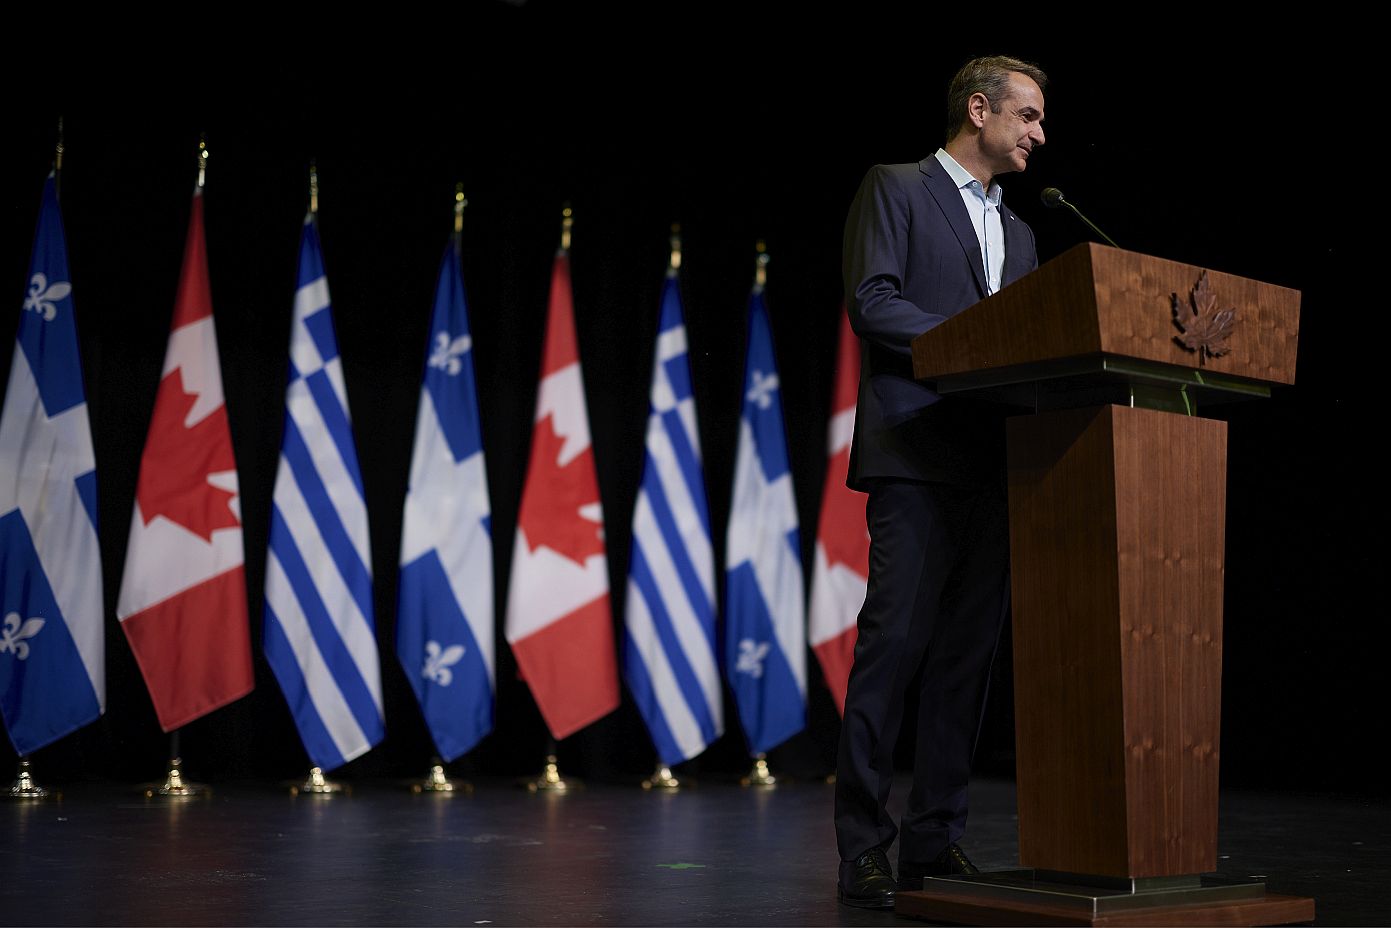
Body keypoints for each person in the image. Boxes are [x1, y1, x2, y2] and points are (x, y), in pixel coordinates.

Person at [834, 55, 1048, 909]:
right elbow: (873, 300)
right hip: (915, 452)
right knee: (893, 651)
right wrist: (976, 343)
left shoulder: (1022, 232)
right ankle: (863, 848)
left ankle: (933, 839)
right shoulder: (895, 187)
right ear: (978, 110)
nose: (1039, 134)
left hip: (993, 460)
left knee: (966, 660)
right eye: (1028, 115)